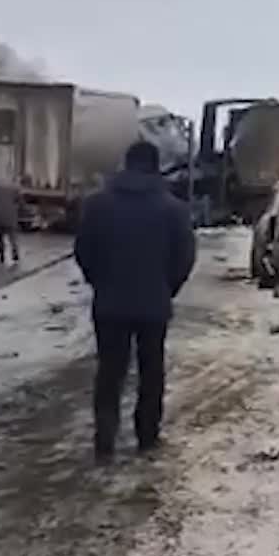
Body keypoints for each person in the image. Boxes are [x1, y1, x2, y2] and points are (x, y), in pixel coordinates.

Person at [73, 139, 196, 462]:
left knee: (110, 371)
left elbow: (84, 250)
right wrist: (167, 288)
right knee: (151, 370)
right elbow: (184, 257)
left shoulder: (98, 204)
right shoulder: (173, 209)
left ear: (125, 164)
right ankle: (147, 437)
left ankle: (105, 440)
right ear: (156, 167)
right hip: (153, 305)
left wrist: (99, 281)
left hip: (110, 303)